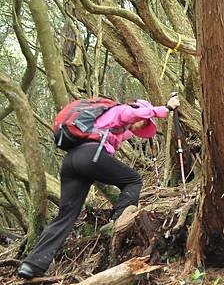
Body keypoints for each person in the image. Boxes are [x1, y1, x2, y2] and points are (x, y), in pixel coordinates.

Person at [17, 94, 180, 280]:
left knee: (66, 216)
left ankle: (33, 264)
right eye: (145, 122)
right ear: (139, 113)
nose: (143, 126)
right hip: (90, 156)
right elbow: (130, 114)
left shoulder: (110, 124)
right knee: (133, 180)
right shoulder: (120, 110)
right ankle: (119, 222)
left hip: (72, 161)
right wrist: (165, 109)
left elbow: (126, 130)